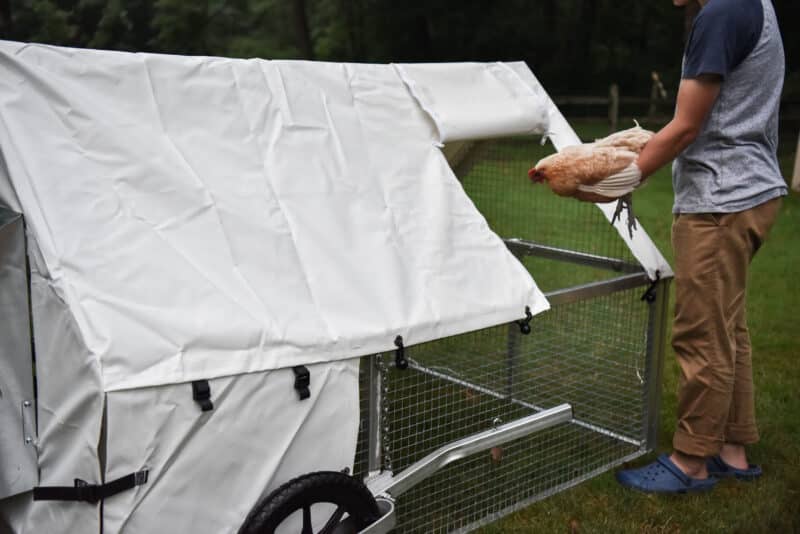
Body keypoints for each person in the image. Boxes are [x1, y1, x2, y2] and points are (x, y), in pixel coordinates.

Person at [615, 0, 787, 494]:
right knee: (727, 327)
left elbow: (687, 124)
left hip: (720, 200)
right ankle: (732, 450)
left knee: (702, 333)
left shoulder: (719, 14)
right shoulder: (756, 7)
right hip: (751, 189)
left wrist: (626, 176)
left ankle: (690, 460)